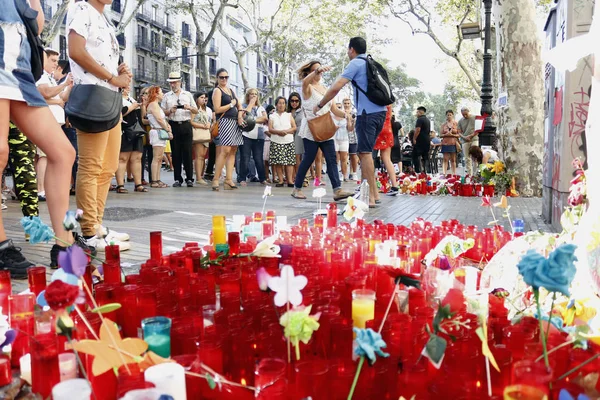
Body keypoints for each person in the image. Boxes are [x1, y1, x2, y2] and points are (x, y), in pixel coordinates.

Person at [0, 0, 78, 275]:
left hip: (19, 70)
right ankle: (0, 246)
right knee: (0, 153)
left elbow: (36, 24)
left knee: (62, 152)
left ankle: (64, 243)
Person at [68, 0, 132, 252]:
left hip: (109, 98)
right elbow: (76, 51)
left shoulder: (104, 18)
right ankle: (87, 231)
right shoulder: (82, 9)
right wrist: (112, 76)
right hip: (93, 98)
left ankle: (95, 225)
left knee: (108, 168)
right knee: (92, 166)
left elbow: (97, 56)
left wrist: (118, 71)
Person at [314, 37, 387, 208]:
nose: (348, 53)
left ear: (351, 49)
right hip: (380, 112)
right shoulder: (372, 62)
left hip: (367, 114)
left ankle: (368, 197)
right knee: (364, 153)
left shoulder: (356, 63)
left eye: (348, 50)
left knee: (365, 153)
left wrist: (320, 104)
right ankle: (374, 195)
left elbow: (336, 87)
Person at [290, 60, 353, 201]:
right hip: (312, 128)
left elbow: (334, 109)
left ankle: (337, 190)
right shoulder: (307, 87)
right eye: (315, 70)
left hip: (325, 127)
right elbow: (305, 82)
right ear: (310, 72)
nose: (319, 72)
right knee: (308, 159)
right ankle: (297, 188)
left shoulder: (326, 89)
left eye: (320, 69)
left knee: (331, 159)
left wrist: (346, 114)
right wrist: (316, 71)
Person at [35, 48, 72, 202]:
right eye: (53, 61)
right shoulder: (41, 76)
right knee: (43, 156)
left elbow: (62, 97)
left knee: (48, 156)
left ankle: (45, 188)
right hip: (46, 119)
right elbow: (45, 94)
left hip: (54, 121)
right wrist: (60, 93)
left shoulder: (50, 78)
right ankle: (40, 189)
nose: (56, 65)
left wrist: (69, 84)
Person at [161, 72, 197, 187]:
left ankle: (190, 178)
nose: (173, 84)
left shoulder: (187, 94)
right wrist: (170, 110)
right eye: (171, 82)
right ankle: (177, 179)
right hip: (174, 124)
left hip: (186, 124)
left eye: (175, 82)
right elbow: (162, 112)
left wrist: (189, 107)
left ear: (180, 82)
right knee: (175, 153)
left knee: (187, 152)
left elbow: (196, 110)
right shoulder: (166, 96)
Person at [211, 68, 244, 191]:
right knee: (225, 150)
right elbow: (217, 109)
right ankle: (216, 179)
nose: (224, 79)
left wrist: (240, 116)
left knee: (233, 150)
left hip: (235, 121)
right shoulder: (217, 90)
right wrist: (231, 104)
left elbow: (239, 105)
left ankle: (229, 179)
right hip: (225, 121)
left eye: (226, 77)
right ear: (217, 78)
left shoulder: (230, 90)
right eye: (221, 77)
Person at [115, 88, 146, 193]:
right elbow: (118, 114)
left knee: (137, 157)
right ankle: (120, 185)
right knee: (123, 158)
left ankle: (138, 184)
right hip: (124, 130)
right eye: (125, 86)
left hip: (136, 130)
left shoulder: (131, 99)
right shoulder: (116, 98)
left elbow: (141, 117)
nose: (128, 87)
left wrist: (142, 105)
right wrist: (132, 107)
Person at [238, 88, 267, 186]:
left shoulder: (261, 107)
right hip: (246, 135)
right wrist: (251, 104)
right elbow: (245, 116)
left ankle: (262, 178)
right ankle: (242, 178)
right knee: (245, 158)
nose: (254, 96)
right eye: (251, 94)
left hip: (259, 136)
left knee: (258, 158)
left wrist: (252, 119)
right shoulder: (244, 106)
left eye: (255, 94)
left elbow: (265, 118)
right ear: (248, 96)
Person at [146, 86, 172, 188]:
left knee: (160, 158)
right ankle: (154, 180)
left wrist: (167, 127)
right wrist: (168, 129)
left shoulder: (156, 105)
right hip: (157, 131)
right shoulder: (153, 105)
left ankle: (157, 179)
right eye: (161, 92)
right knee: (156, 157)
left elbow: (162, 119)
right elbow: (159, 120)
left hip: (160, 131)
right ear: (156, 94)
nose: (162, 94)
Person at [268, 96, 297, 187]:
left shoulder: (289, 115)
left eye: (283, 103)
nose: (281, 105)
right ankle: (280, 180)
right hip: (276, 141)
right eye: (279, 103)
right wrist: (278, 132)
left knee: (289, 162)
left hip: (288, 140)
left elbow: (294, 127)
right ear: (276, 105)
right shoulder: (272, 116)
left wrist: (286, 132)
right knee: (278, 162)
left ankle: (290, 181)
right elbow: (270, 128)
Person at [374, 105, 399, 194]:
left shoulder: (375, 98)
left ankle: (367, 184)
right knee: (387, 159)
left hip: (376, 129)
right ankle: (394, 185)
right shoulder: (388, 102)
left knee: (368, 157)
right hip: (387, 129)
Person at [191, 92, 212, 185]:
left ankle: (201, 176)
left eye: (204, 98)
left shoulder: (205, 109)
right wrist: (202, 126)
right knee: (199, 156)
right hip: (198, 133)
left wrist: (208, 125)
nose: (203, 99)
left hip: (205, 134)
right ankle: (198, 177)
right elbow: (191, 121)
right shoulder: (194, 109)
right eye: (201, 97)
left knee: (203, 157)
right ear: (196, 98)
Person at [288, 92, 304, 183]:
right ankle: (292, 176)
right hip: (289, 134)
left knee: (297, 156)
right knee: (291, 157)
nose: (294, 103)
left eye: (296, 101)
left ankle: (299, 177)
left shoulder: (303, 110)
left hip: (299, 134)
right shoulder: (287, 112)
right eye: (292, 101)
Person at [458, 107, 478, 175]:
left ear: (468, 111)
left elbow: (478, 129)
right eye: (463, 114)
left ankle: (475, 174)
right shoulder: (460, 121)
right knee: (467, 158)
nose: (465, 116)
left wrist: (471, 135)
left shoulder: (474, 117)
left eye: (466, 114)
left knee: (475, 157)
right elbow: (459, 132)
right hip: (465, 140)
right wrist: (464, 137)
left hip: (474, 139)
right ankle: (470, 175)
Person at [333, 102, 350, 182]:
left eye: (340, 107)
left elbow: (350, 128)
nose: (339, 109)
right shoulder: (331, 116)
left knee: (344, 158)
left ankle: (345, 175)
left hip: (344, 139)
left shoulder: (346, 116)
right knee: (335, 159)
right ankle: (337, 175)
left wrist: (351, 122)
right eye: (337, 108)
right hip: (334, 139)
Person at [343, 98, 358, 181]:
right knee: (344, 156)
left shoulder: (354, 113)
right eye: (345, 103)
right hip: (343, 137)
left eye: (348, 103)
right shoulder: (341, 112)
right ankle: (343, 173)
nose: (346, 105)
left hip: (353, 137)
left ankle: (353, 172)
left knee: (353, 155)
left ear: (350, 104)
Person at [139, 87, 153, 185]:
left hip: (151, 132)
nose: (146, 95)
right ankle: (141, 178)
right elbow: (143, 119)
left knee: (152, 156)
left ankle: (152, 178)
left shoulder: (153, 105)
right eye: (144, 93)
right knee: (142, 157)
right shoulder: (140, 105)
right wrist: (143, 106)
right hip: (143, 133)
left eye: (148, 93)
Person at [411, 106, 431, 173]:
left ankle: (418, 171)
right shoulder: (427, 120)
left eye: (417, 112)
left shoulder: (419, 119)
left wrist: (414, 138)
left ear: (420, 112)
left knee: (414, 156)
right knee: (426, 157)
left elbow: (417, 130)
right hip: (427, 140)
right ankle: (428, 172)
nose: (416, 114)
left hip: (420, 141)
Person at [440, 110, 459, 176]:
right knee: (445, 159)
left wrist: (453, 135)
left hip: (453, 143)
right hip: (445, 143)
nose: (449, 116)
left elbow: (459, 134)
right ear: (446, 116)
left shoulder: (456, 124)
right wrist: (446, 134)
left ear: (452, 115)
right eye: (448, 115)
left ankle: (454, 173)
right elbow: (441, 135)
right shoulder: (443, 125)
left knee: (453, 159)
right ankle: (444, 173)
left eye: (450, 115)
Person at [263, 104, 275, 183]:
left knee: (274, 162)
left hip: (274, 142)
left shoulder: (275, 123)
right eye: (271, 112)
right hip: (266, 143)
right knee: (266, 161)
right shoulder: (264, 125)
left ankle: (275, 177)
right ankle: (267, 176)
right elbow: (268, 133)